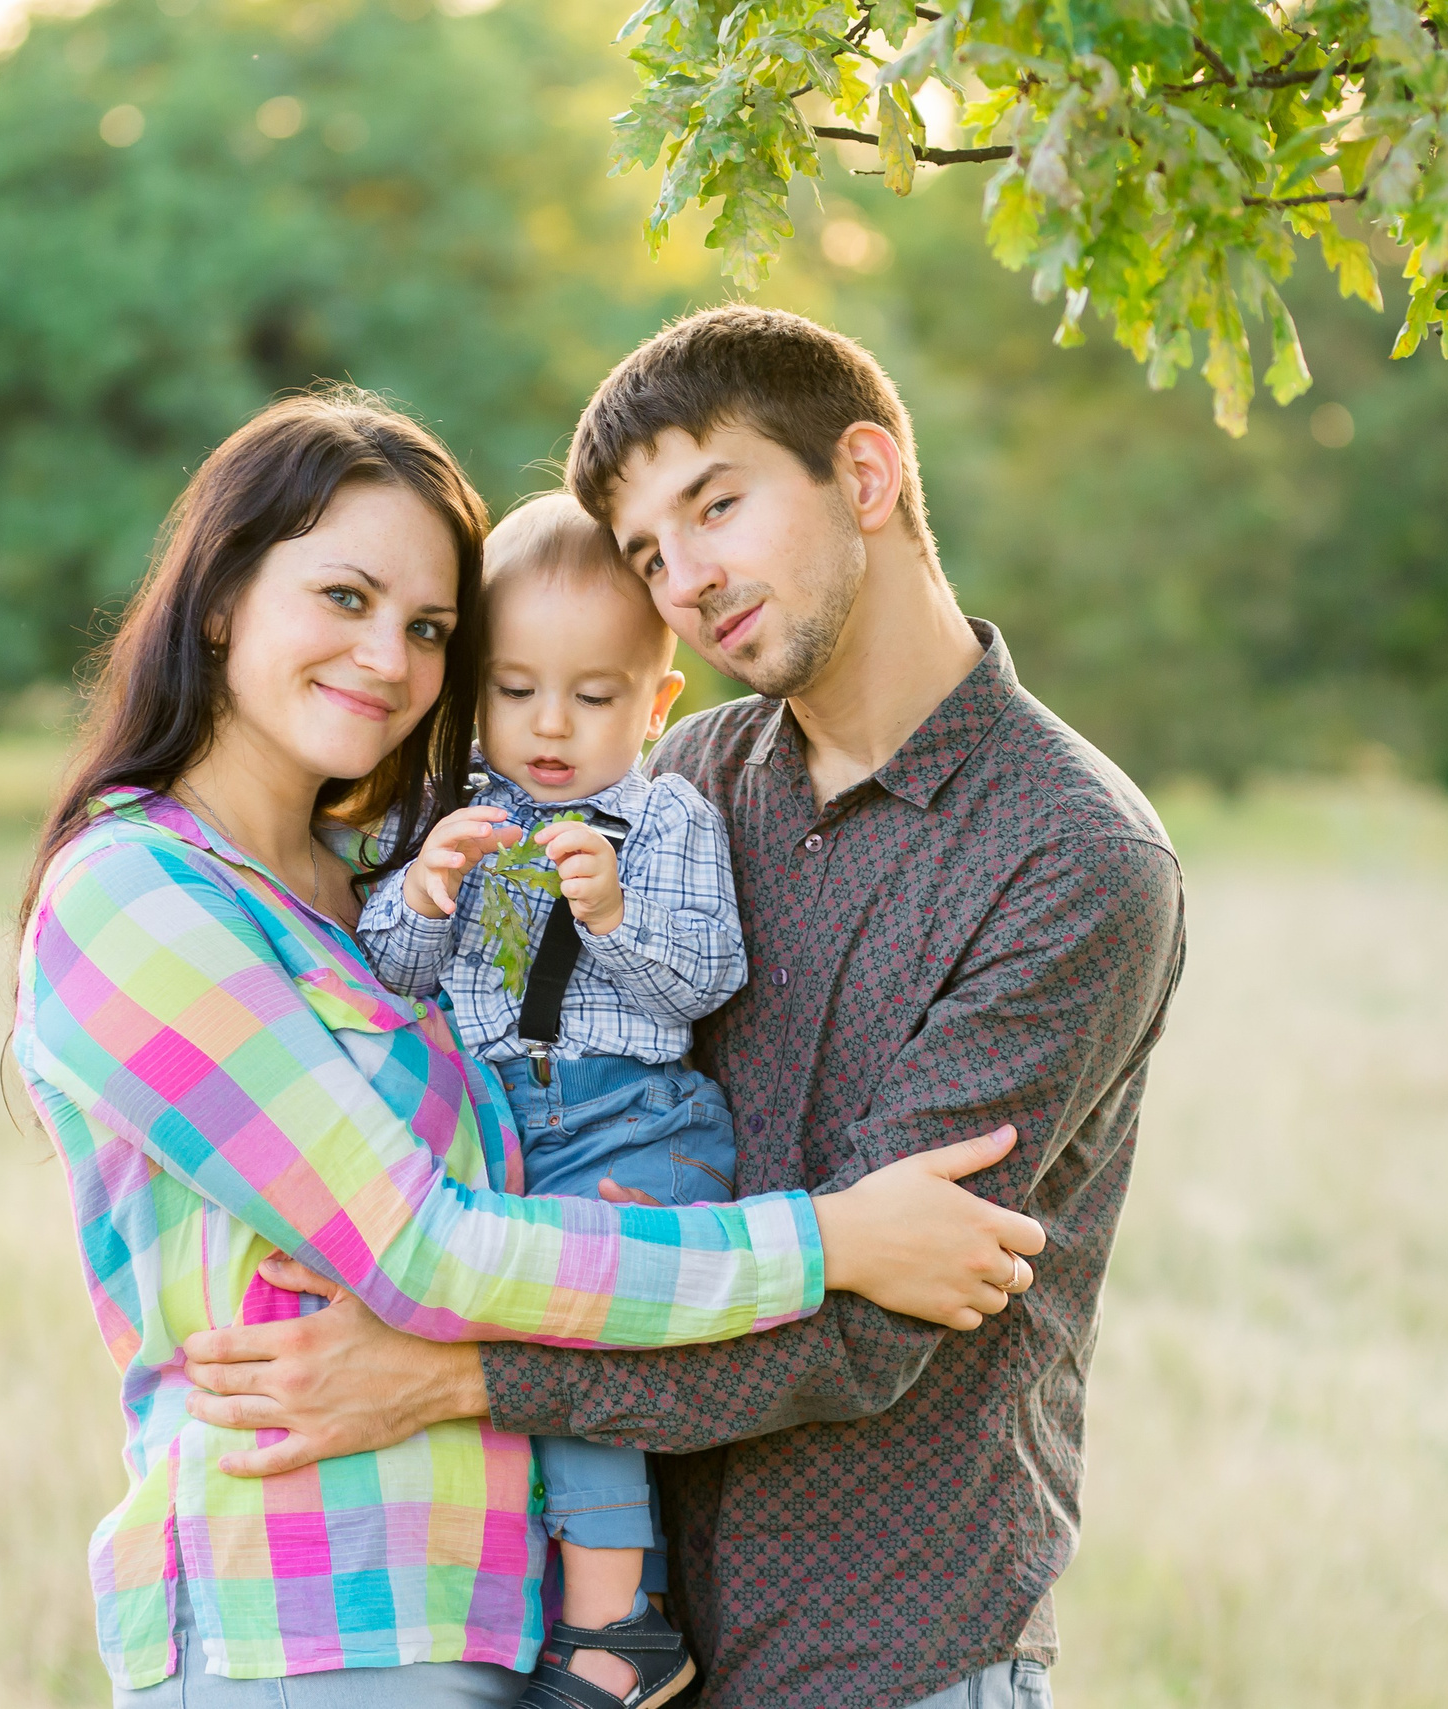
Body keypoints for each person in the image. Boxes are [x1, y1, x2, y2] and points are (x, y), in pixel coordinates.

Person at [179, 314, 1190, 1708]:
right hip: (626, 1645)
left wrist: (454, 1378)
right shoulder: (684, 780)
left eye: (718, 504)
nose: (690, 575)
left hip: (885, 1648)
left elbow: (872, 1322)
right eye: (651, 549)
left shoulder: (1071, 858)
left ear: (868, 475)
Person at [360, 491, 744, 1706]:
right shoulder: (451, 814)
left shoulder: (669, 816)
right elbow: (384, 980)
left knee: (573, 1334)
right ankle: (536, 1597)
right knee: (488, 1350)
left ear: (657, 702)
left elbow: (705, 977)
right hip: (492, 1124)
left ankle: (617, 1621)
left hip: (631, 1118)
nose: (550, 726)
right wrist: (421, 897)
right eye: (517, 689)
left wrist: (616, 916)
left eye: (592, 697)